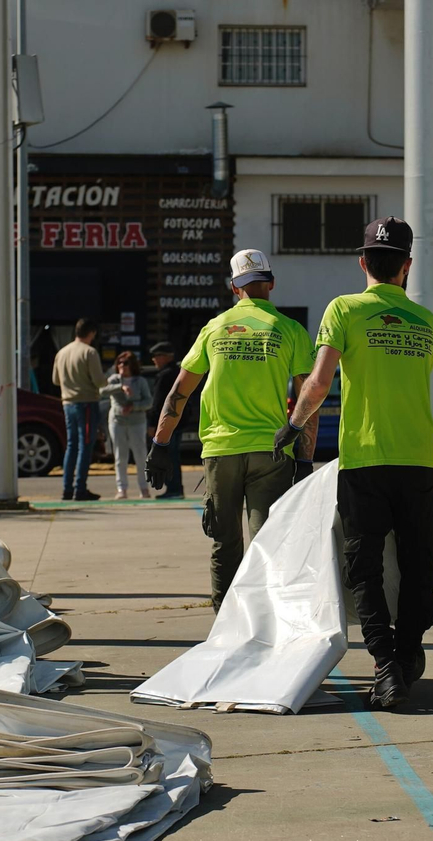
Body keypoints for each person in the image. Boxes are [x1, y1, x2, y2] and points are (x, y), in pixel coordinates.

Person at [276, 217, 433, 711]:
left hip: (365, 459)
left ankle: (386, 666)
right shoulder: (426, 321)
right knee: (417, 565)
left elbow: (320, 382)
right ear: (407, 266)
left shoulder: (344, 309)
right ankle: (406, 655)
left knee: (364, 567)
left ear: (362, 261)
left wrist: (294, 425)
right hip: (419, 458)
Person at [146, 248, 316, 610]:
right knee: (268, 542)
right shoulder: (291, 330)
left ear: (234, 287)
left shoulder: (214, 328)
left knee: (225, 543)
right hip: (272, 451)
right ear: (271, 284)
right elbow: (308, 398)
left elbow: (179, 392)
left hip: (221, 451)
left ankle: (225, 620)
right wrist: (304, 459)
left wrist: (160, 444)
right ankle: (267, 619)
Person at [51, 318, 110, 501]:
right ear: (91, 333)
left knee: (71, 445)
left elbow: (55, 380)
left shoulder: (62, 352)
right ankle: (80, 488)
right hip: (86, 403)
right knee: (86, 446)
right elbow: (99, 381)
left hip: (67, 403)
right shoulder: (89, 352)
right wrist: (106, 381)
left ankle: (67, 488)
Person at [105, 351, 154, 499]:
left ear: (132, 365)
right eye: (119, 363)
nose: (122, 366)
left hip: (137, 422)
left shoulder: (140, 381)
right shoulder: (114, 379)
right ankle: (122, 488)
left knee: (140, 455)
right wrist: (120, 387)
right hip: (117, 421)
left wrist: (134, 406)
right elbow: (102, 390)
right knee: (120, 456)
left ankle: (144, 488)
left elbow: (148, 402)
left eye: (125, 363)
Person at [147, 341, 187, 499]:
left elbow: (158, 402)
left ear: (166, 357)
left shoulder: (165, 375)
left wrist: (152, 424)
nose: (154, 360)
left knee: (168, 455)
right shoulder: (178, 372)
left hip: (166, 422)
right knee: (173, 455)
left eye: (157, 356)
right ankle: (175, 488)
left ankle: (174, 488)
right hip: (179, 420)